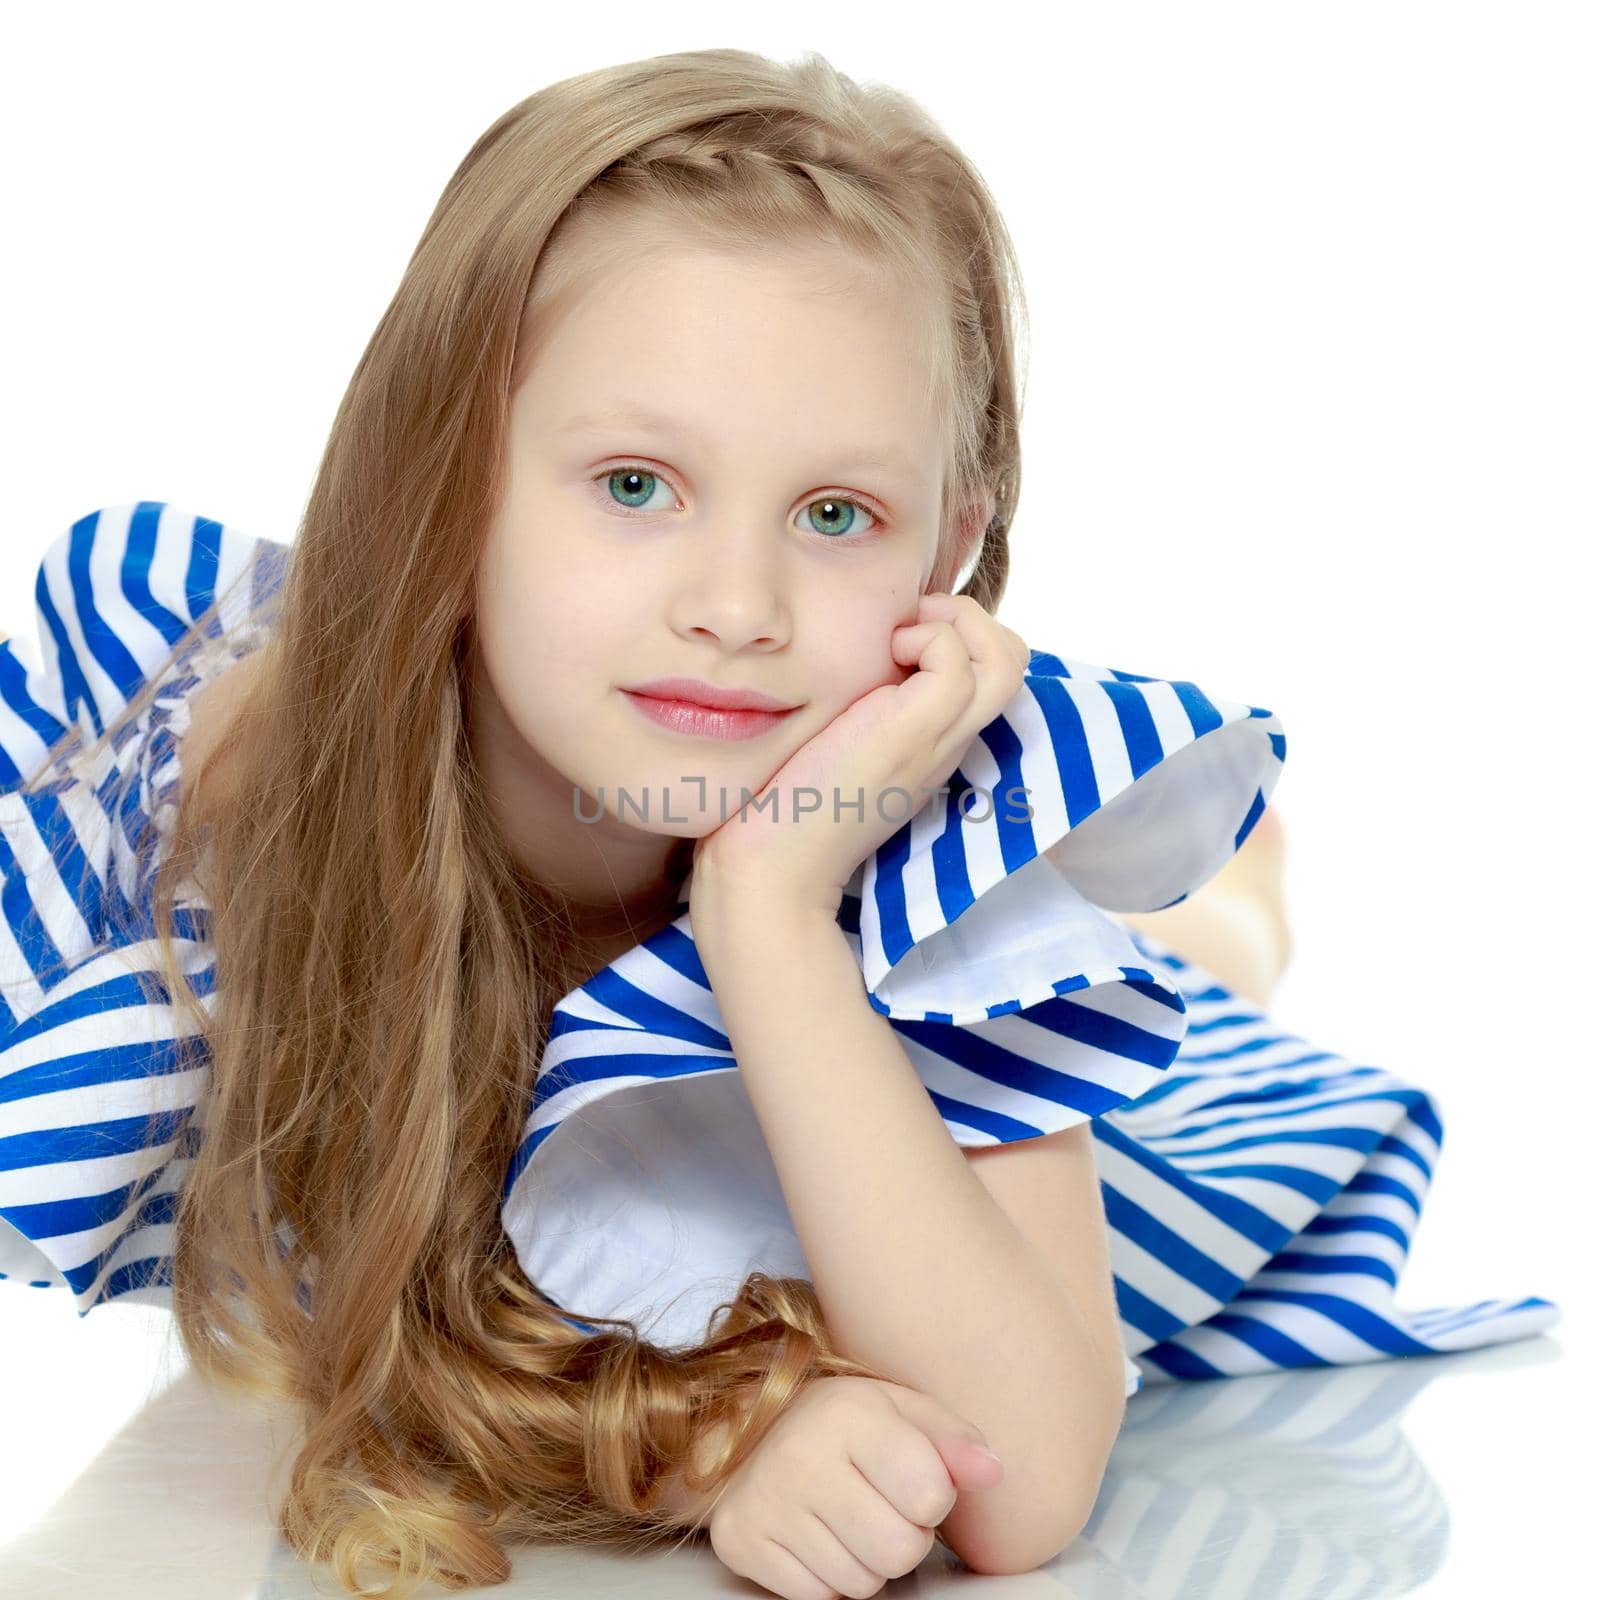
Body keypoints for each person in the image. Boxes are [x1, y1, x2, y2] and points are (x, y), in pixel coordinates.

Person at [0, 48, 1559, 1599]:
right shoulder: (240, 795)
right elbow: (373, 1278)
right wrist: (710, 1439)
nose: (736, 607)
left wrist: (767, 918)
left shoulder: (913, 844)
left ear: (948, 543)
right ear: (448, 477)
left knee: (1198, 987)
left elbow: (1030, 1481)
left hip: (1049, 1107)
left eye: (836, 517)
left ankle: (1218, 914)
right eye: (632, 483)